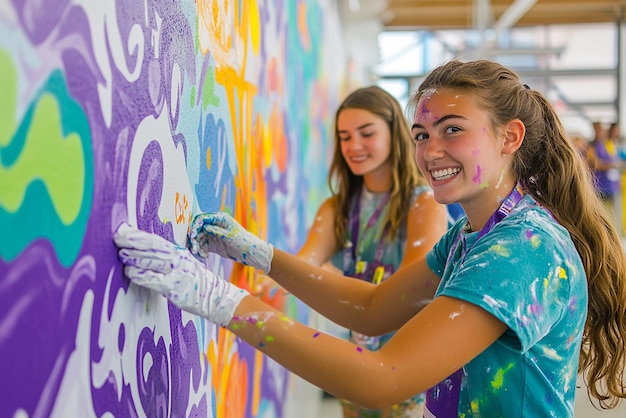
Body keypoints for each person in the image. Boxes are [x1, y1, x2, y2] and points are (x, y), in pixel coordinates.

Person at [113, 59, 626, 417]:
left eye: (453, 129)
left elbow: (383, 377)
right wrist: (261, 255)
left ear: (509, 137)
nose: (430, 151)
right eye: (422, 134)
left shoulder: (521, 249)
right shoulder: (473, 235)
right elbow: (373, 307)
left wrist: (221, 300)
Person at [255, 86, 449, 417]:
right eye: (344, 136)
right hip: (357, 356)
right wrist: (260, 270)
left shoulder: (424, 203)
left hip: (412, 360)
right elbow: (304, 264)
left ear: (394, 133)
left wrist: (331, 281)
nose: (353, 146)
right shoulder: (338, 207)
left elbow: (412, 288)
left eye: (366, 133)